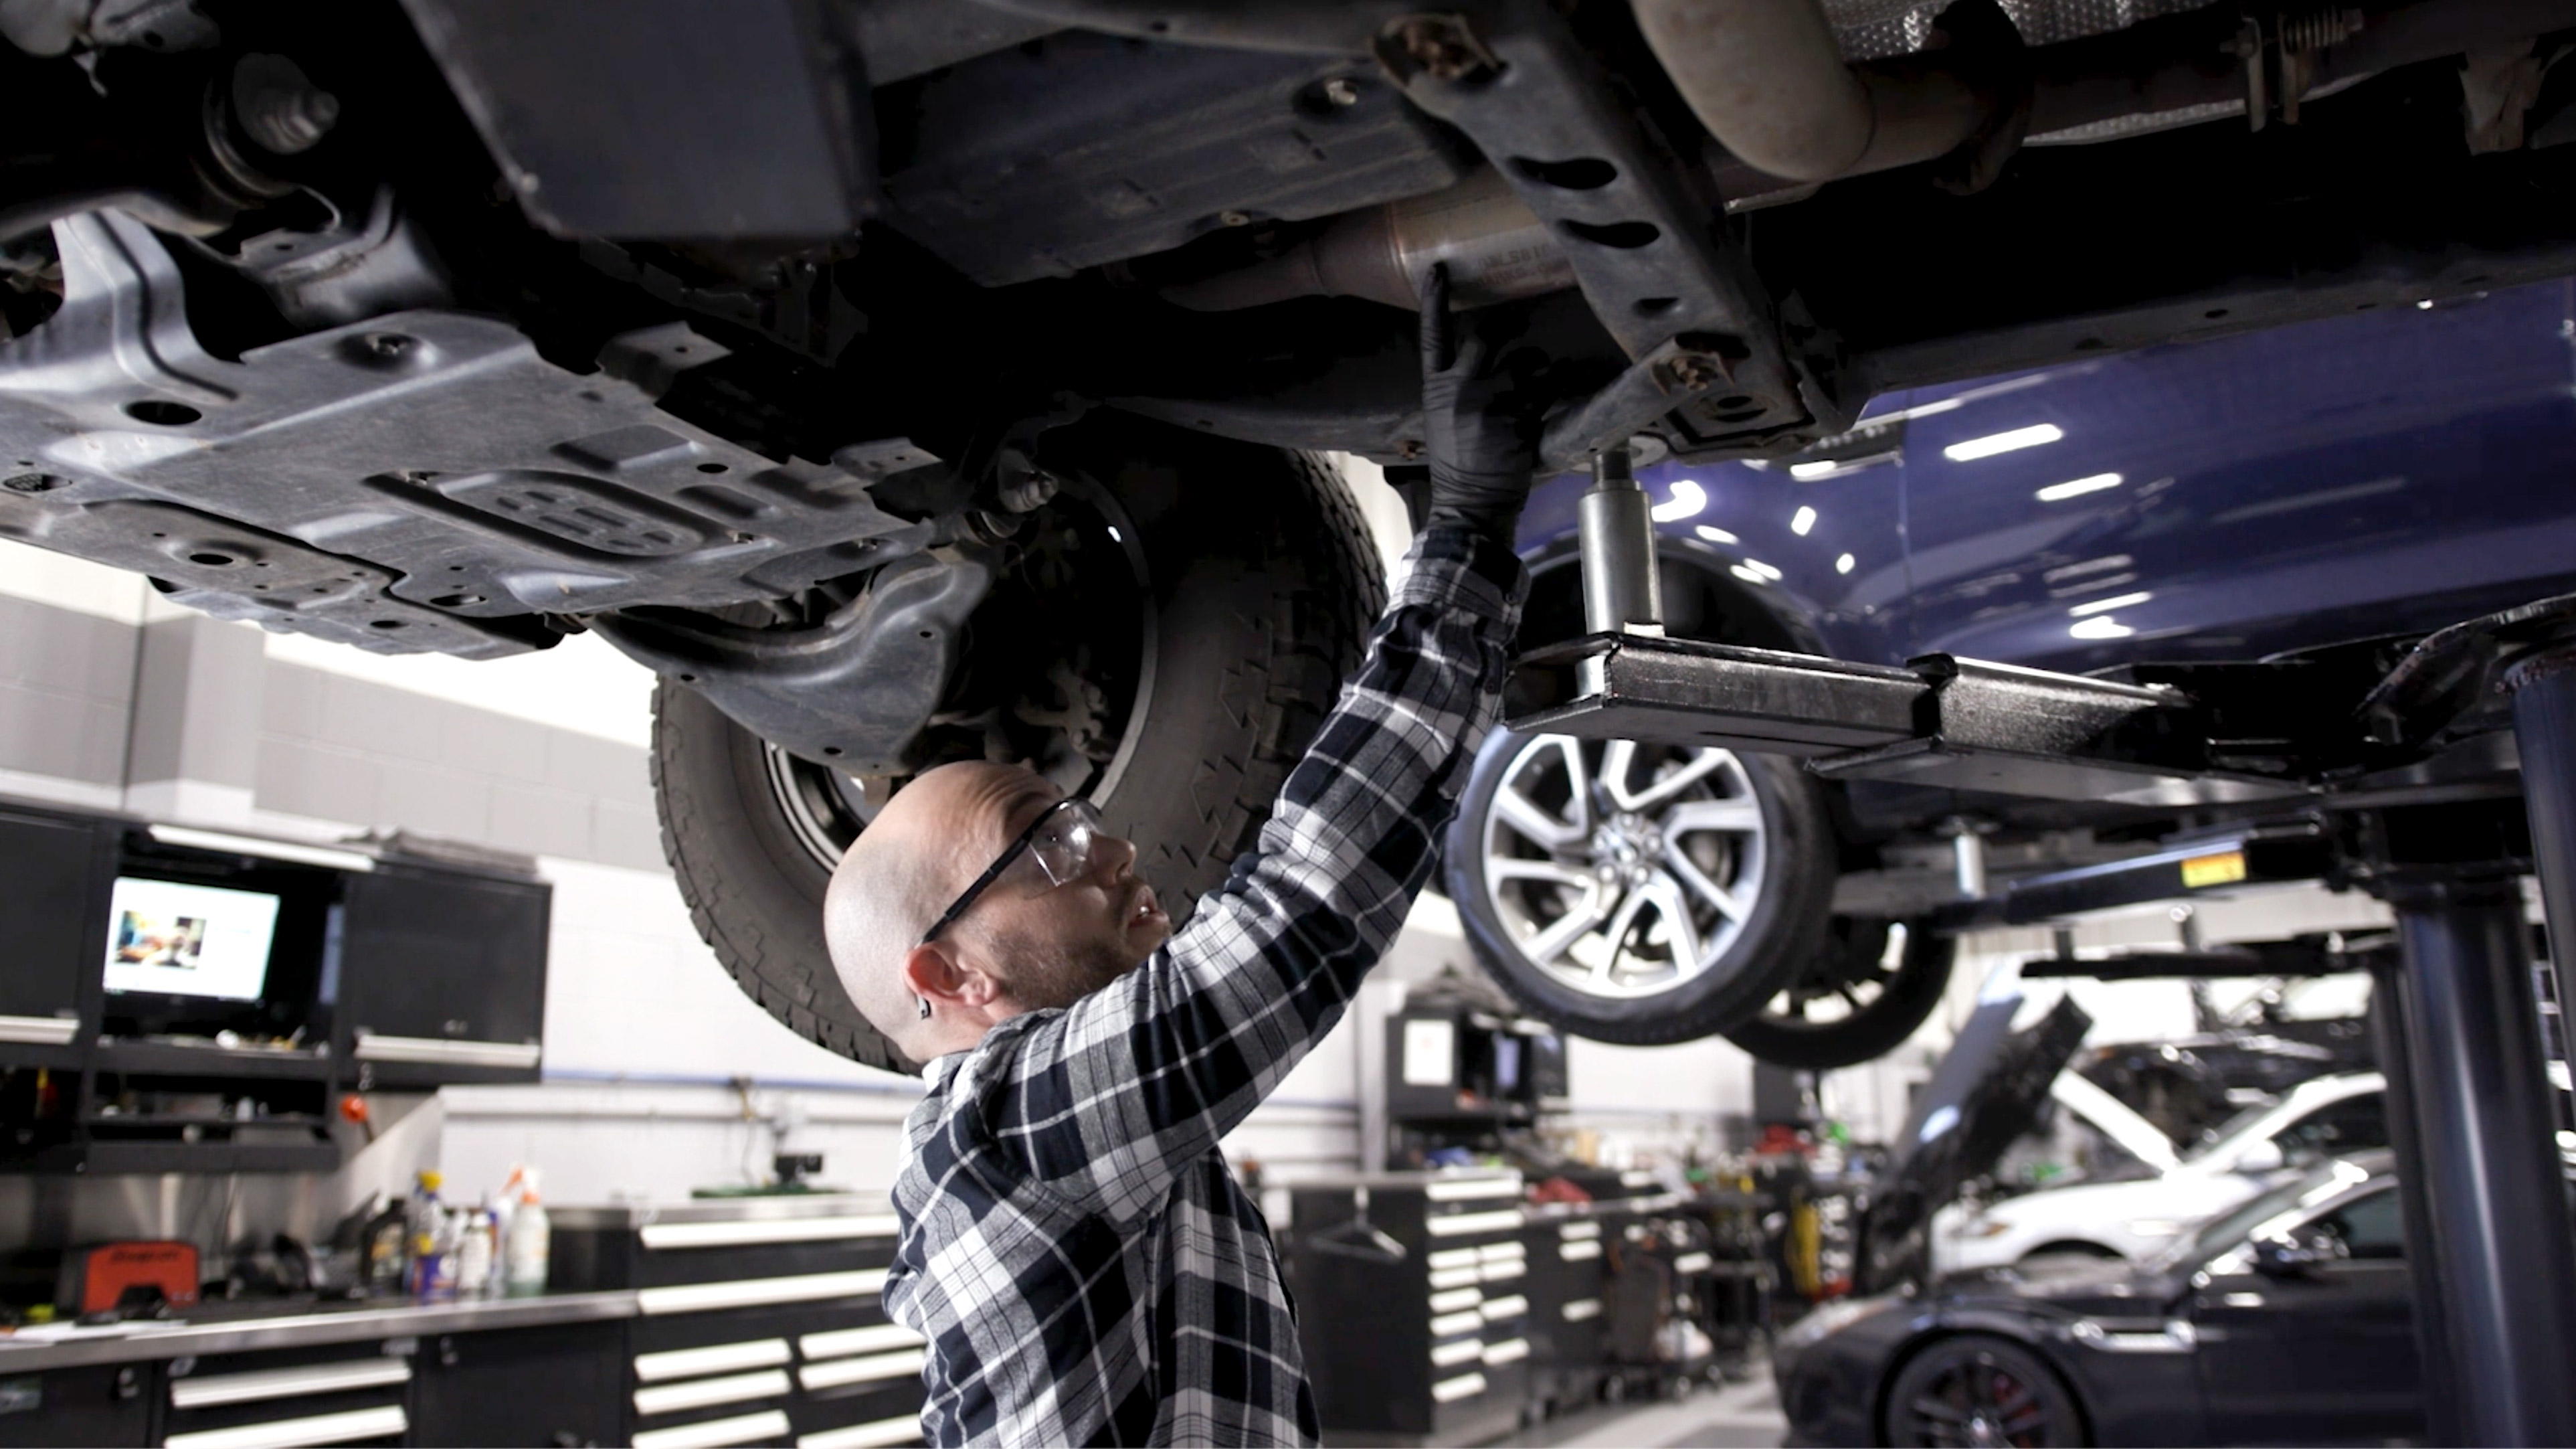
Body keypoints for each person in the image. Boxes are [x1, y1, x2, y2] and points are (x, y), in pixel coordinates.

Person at [822, 264, 1548, 1446]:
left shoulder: (1077, 1144)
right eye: (1044, 844)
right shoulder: (1005, 1136)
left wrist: (1450, 547)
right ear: (948, 976)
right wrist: (1464, 536)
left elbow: (1314, 898)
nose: (1106, 842)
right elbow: (1300, 911)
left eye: (1078, 817)